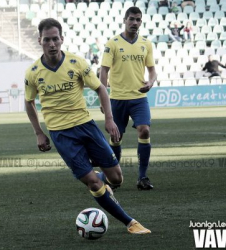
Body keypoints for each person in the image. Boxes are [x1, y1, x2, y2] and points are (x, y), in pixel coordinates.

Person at [24, 18, 151, 234]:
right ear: (40, 41)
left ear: (62, 39)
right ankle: (130, 223)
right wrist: (39, 133)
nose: (52, 44)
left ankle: (104, 182)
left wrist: (109, 119)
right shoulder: (34, 72)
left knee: (116, 178)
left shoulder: (77, 63)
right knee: (92, 182)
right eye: (47, 40)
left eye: (55, 39)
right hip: (62, 135)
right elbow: (29, 102)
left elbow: (101, 88)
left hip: (86, 127)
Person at [100, 7, 157, 190]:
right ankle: (113, 177)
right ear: (125, 20)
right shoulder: (113, 44)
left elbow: (152, 69)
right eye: (131, 19)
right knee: (116, 137)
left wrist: (151, 82)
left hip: (139, 97)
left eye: (138, 20)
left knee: (144, 130)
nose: (134, 23)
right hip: (117, 98)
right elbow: (104, 71)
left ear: (141, 22)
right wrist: (104, 98)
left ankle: (143, 177)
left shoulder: (146, 44)